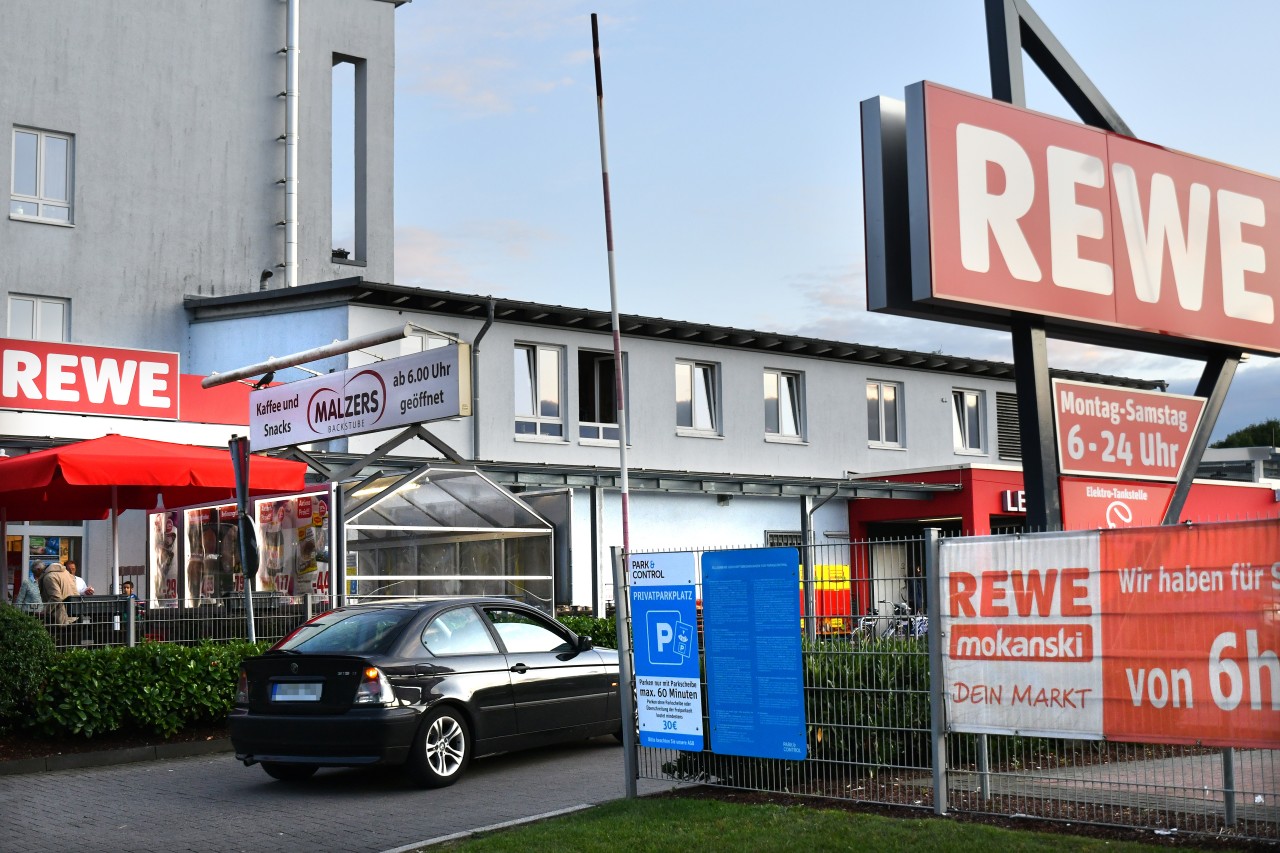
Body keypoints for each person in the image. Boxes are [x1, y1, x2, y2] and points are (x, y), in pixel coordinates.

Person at [38, 560, 79, 625]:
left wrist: (45, 611)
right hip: (75, 615)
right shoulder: (65, 573)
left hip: (62, 618)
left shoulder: (49, 577)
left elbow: (56, 597)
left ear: (39, 570)